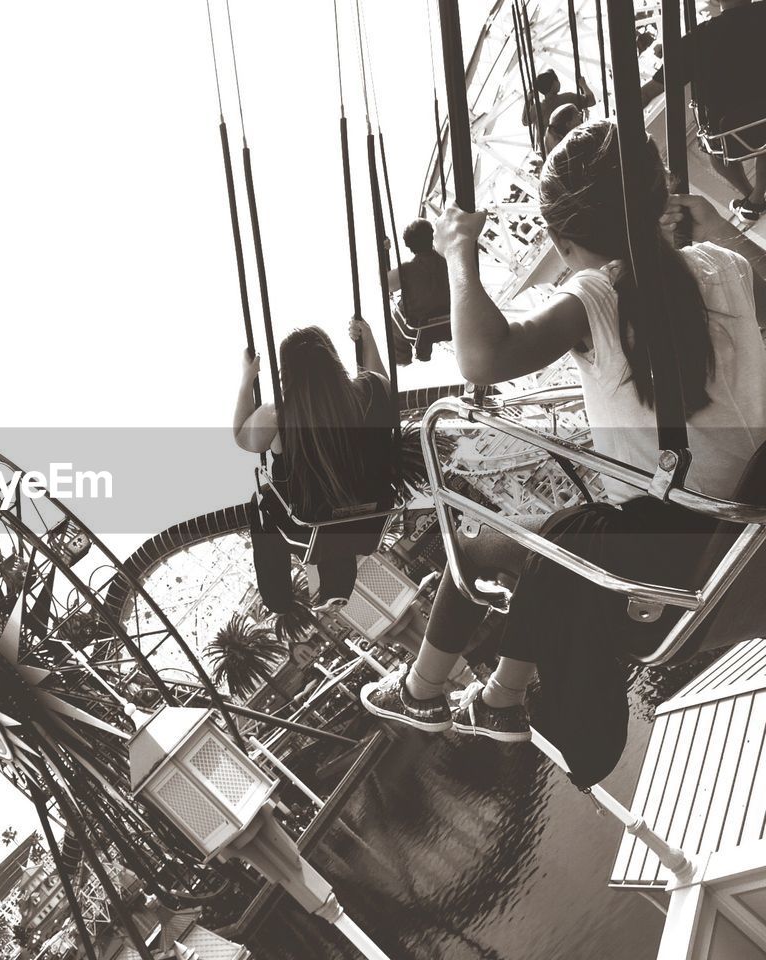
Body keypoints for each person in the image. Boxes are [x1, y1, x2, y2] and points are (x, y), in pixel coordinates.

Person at [361, 119, 766, 742]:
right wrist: (718, 228)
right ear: (661, 200)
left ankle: (425, 690)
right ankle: (498, 696)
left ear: (565, 242)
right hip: (752, 535)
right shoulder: (723, 265)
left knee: (483, 542)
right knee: (561, 536)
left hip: (678, 582)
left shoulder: (597, 297)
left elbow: (483, 358)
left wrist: (460, 256)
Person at [234, 320, 397, 607]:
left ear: (287, 374)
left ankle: (278, 597)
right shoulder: (370, 390)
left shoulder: (280, 415)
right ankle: (336, 585)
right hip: (371, 517)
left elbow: (242, 437)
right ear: (332, 359)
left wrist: (248, 378)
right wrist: (367, 339)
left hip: (310, 525)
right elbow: (382, 383)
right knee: (341, 503)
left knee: (261, 501)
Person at [388, 219, 452, 361]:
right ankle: (422, 349)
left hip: (421, 327)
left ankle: (402, 358)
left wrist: (384, 252)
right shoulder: (448, 261)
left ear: (409, 245)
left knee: (395, 318)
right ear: (432, 237)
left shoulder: (407, 270)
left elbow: (386, 284)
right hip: (450, 322)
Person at [522, 70, 595, 138]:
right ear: (554, 84)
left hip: (549, 148)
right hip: (570, 141)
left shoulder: (537, 108)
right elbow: (591, 101)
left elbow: (525, 121)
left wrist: (528, 100)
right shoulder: (568, 98)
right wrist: (583, 85)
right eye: (557, 80)